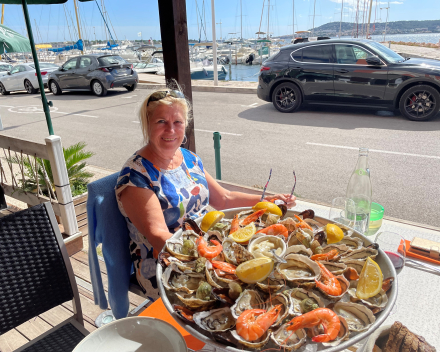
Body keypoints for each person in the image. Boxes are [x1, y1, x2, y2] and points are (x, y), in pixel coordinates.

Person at [116, 87, 296, 300]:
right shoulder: (135, 177)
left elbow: (224, 199)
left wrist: (266, 200)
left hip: (207, 244)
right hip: (167, 265)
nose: (171, 130)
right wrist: (217, 254)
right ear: (148, 124)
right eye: (161, 122)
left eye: (178, 122)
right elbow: (159, 238)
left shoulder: (188, 158)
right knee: (240, 292)